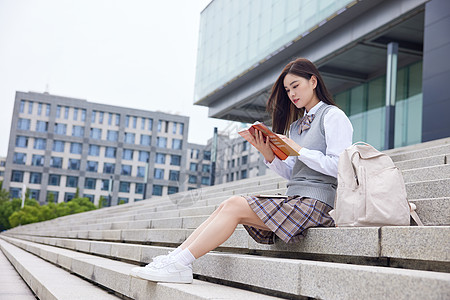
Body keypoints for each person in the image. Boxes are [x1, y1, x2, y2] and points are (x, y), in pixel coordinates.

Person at [130, 57, 353, 284]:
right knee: (227, 205)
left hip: (319, 204)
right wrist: (268, 153)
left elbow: (339, 167)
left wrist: (299, 149)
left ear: (313, 81)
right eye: (287, 90)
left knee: (235, 204)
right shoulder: (296, 126)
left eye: (296, 86)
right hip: (297, 199)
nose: (292, 94)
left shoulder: (333, 116)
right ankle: (174, 259)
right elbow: (294, 173)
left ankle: (180, 263)